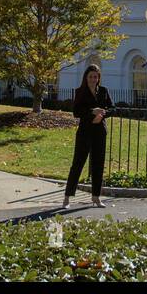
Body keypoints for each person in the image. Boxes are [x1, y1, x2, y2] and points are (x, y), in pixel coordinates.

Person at [63, 65, 114, 208]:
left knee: (98, 164)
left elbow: (113, 108)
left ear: (98, 78)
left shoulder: (103, 91)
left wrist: (102, 114)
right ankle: (67, 198)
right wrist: (92, 112)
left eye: (95, 77)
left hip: (100, 132)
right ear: (86, 77)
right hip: (85, 132)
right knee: (77, 164)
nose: (93, 79)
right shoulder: (80, 92)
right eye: (91, 76)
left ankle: (96, 197)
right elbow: (76, 112)